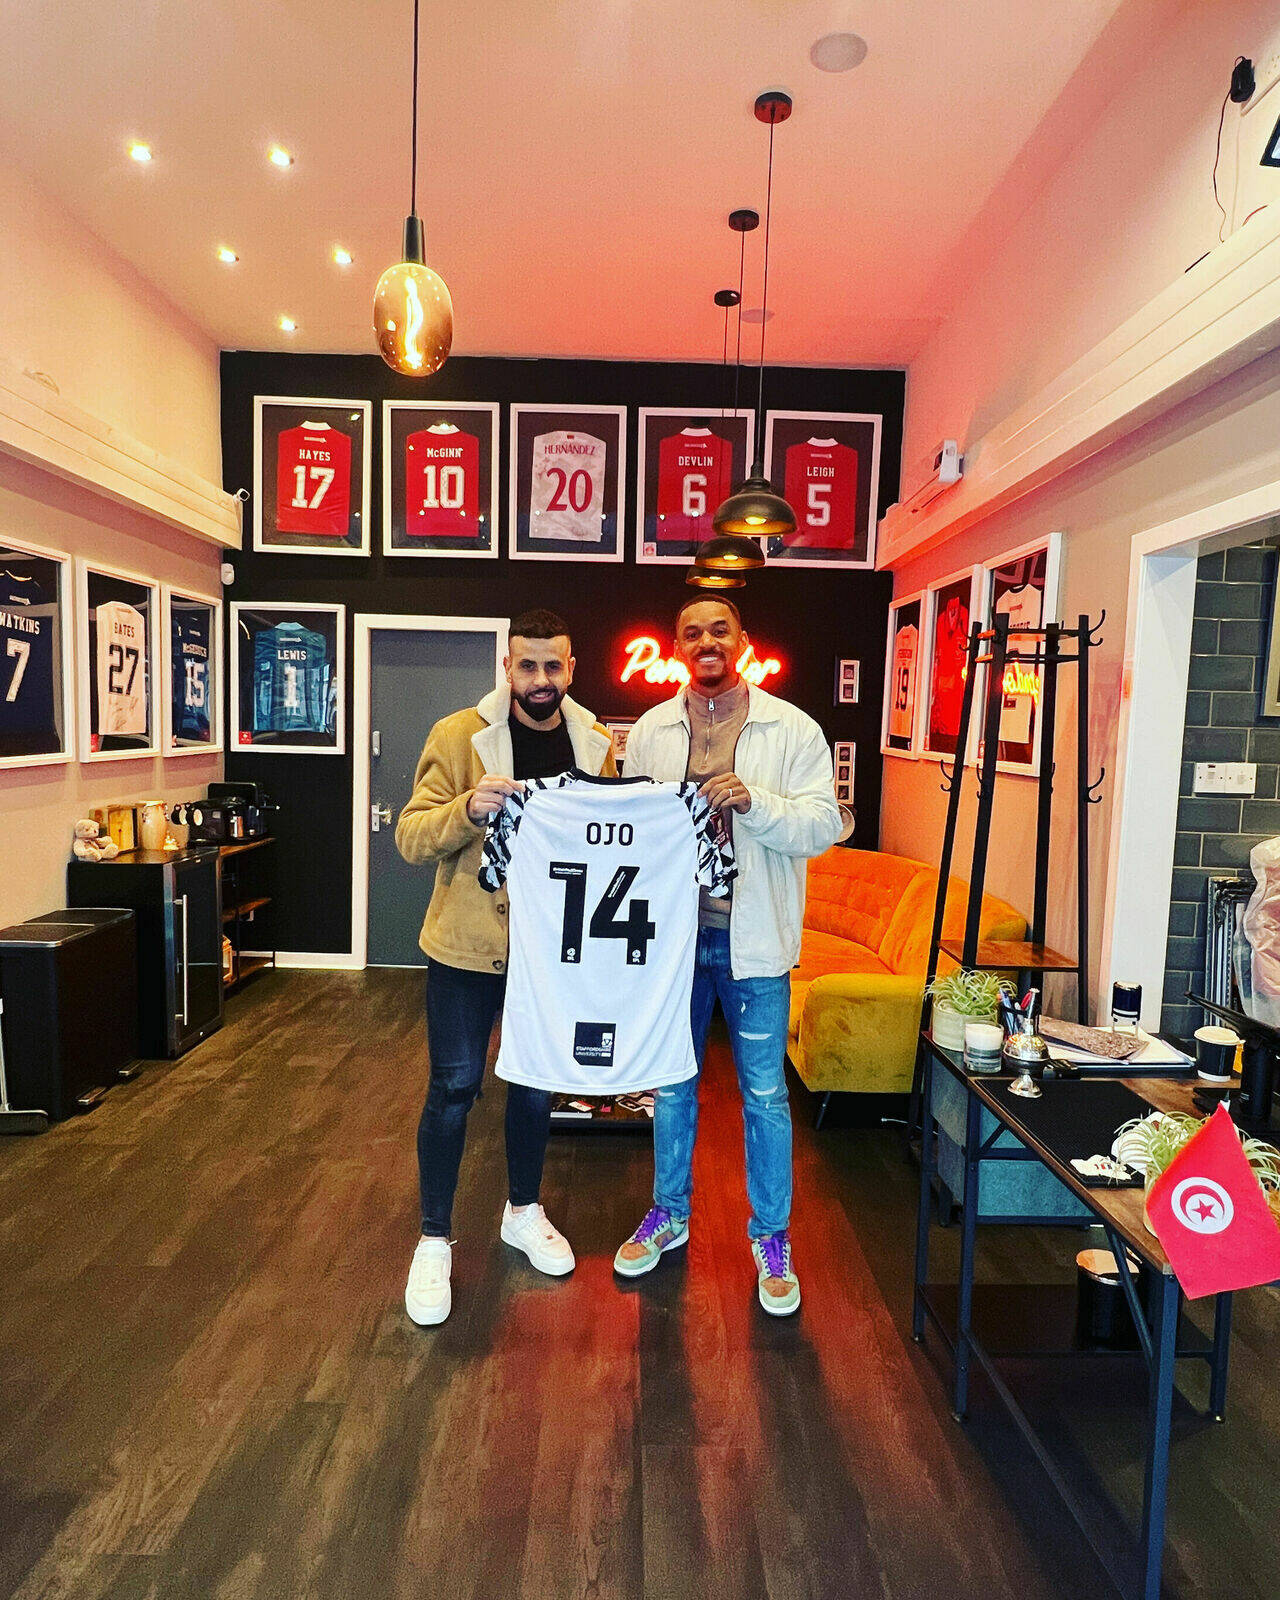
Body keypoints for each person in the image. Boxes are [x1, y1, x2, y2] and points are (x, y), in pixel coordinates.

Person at [613, 596, 841, 1315]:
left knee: (765, 1095)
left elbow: (823, 825)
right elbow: (631, 832)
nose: (707, 641)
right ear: (678, 647)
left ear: (743, 641)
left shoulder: (793, 729)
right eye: (693, 633)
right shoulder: (650, 732)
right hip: (674, 944)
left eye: (720, 630)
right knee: (671, 1086)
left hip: (756, 942)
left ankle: (772, 1237)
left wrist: (754, 803)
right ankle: (669, 1213)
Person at [395, 608, 616, 1326]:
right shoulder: (459, 735)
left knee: (534, 1087)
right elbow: (410, 837)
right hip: (465, 945)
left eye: (554, 666)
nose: (541, 679)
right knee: (453, 1088)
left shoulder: (595, 743)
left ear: (571, 668)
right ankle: (434, 1239)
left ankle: (522, 1210)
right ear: (508, 666)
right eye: (528, 665)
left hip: (549, 952)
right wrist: (468, 809)